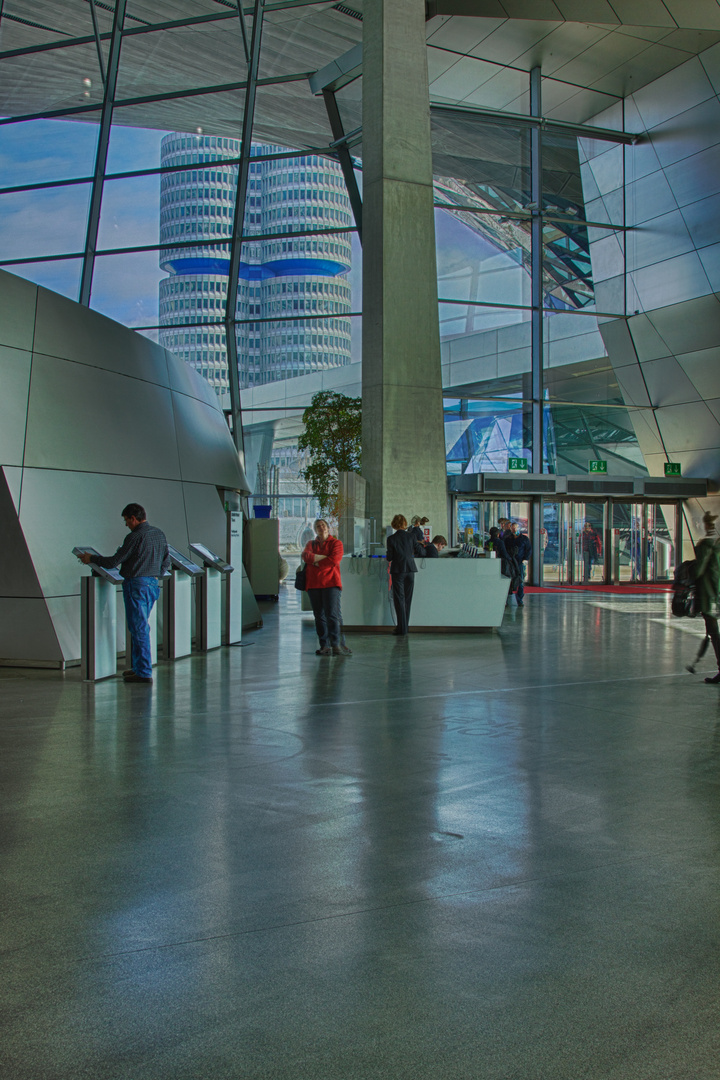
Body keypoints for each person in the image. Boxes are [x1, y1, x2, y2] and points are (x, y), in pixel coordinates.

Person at [79, 503, 170, 683]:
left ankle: (143, 672)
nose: (126, 525)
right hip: (152, 585)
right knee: (140, 627)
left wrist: (91, 558)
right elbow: (166, 561)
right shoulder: (159, 534)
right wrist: (154, 575)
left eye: (126, 521)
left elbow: (114, 562)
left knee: (139, 628)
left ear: (133, 518)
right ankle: (138, 667)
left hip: (136, 585)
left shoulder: (134, 537)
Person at [302, 519, 351, 657]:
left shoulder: (336, 543)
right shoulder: (310, 544)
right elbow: (305, 556)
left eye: (323, 525)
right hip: (313, 584)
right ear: (315, 530)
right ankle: (324, 645)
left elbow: (334, 560)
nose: (321, 527)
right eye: (318, 526)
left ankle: (336, 645)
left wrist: (316, 562)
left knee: (332, 615)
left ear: (328, 528)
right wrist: (323, 558)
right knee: (319, 616)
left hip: (331, 584)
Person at [694, 511, 720, 684]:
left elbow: (698, 571)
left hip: (708, 595)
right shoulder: (718, 544)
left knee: (714, 633)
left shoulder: (706, 545)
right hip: (717, 592)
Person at [387, 514, 418, 636]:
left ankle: (401, 629)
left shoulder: (391, 539)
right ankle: (405, 627)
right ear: (405, 524)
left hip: (398, 570)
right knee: (408, 599)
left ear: (394, 524)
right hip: (410, 570)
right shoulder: (412, 536)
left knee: (399, 599)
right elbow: (419, 550)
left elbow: (389, 557)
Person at [512, 525, 532, 607]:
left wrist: (525, 559)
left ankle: (519, 599)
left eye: (516, 528)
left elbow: (528, 550)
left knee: (520, 581)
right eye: (513, 528)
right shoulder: (509, 539)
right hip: (511, 562)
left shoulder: (524, 539)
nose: (514, 530)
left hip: (520, 562)